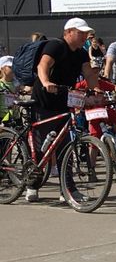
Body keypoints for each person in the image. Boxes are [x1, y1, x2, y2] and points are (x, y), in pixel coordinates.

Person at [26, 18, 98, 203]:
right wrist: (46, 82)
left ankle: (67, 190)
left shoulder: (81, 54)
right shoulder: (56, 46)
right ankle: (32, 185)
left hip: (64, 102)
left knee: (65, 147)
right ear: (68, 32)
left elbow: (89, 74)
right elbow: (43, 65)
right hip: (44, 102)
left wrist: (96, 89)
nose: (84, 36)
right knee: (42, 147)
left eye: (85, 33)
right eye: (80, 33)